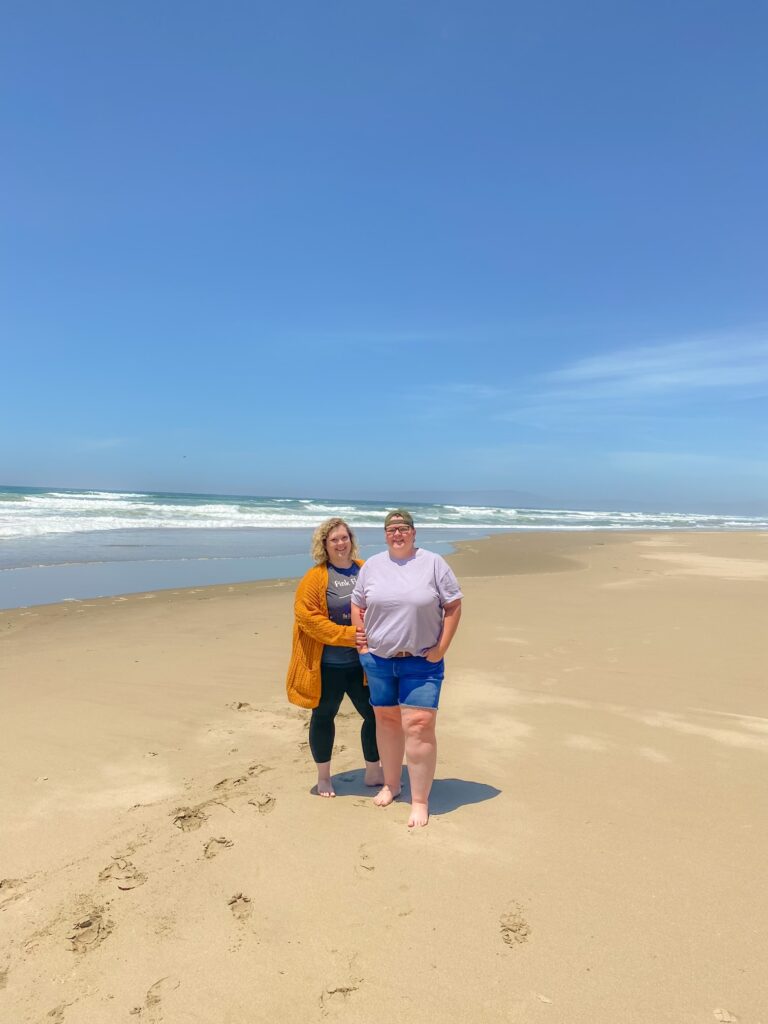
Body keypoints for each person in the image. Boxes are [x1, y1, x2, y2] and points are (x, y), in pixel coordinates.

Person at [351, 509, 462, 827]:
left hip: (422, 661)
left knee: (419, 725)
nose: (397, 534)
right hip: (379, 660)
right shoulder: (373, 565)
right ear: (385, 535)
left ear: (414, 533)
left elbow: (453, 605)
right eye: (391, 529)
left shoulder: (433, 563)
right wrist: (362, 642)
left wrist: (442, 647)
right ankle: (391, 784)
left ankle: (419, 800)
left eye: (403, 528)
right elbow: (358, 603)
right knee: (385, 721)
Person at [285, 518, 383, 797]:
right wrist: (348, 635)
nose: (341, 543)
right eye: (334, 540)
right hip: (327, 665)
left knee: (375, 713)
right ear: (324, 545)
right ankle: (324, 777)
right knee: (324, 716)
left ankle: (373, 770)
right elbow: (307, 619)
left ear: (351, 540)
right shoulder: (315, 577)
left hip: (362, 664)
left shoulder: (365, 570)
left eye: (344, 538)